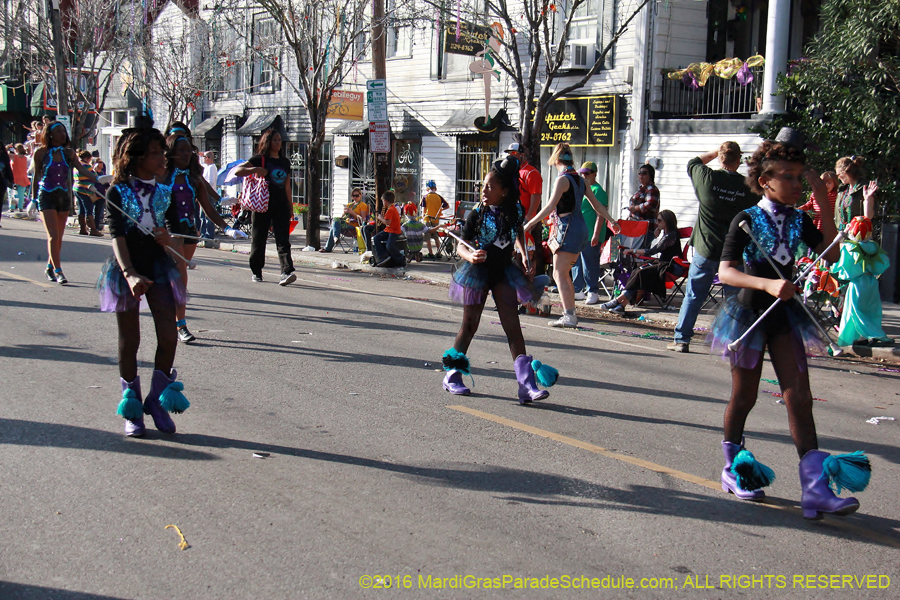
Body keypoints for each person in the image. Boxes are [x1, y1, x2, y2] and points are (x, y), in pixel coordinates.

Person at [708, 139, 870, 518]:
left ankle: (815, 489)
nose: (796, 184)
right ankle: (733, 469)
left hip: (784, 316)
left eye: (800, 177)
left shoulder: (799, 219)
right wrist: (766, 284)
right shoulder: (746, 218)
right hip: (749, 316)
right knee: (744, 397)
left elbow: (831, 251)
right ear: (765, 181)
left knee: (800, 398)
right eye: (788, 177)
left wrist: (823, 201)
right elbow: (726, 272)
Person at [97, 125, 190, 437]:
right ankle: (133, 407)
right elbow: (117, 236)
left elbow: (177, 234)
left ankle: (156, 400)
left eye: (162, 152)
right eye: (154, 154)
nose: (162, 158)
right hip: (127, 268)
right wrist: (130, 273)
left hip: (159, 266)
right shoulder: (117, 192)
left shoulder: (165, 192)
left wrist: (168, 239)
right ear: (136, 158)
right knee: (130, 341)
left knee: (168, 336)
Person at [442, 156, 557, 404]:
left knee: (513, 327)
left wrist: (524, 254)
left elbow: (518, 232)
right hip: (478, 273)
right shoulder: (476, 213)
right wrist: (471, 256)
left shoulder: (516, 211)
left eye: (490, 187)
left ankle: (526, 385)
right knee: (469, 325)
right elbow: (461, 245)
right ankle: (452, 375)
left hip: (504, 271)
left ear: (504, 191)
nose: (483, 191)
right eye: (483, 186)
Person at [670, 142, 759, 353]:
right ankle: (732, 342)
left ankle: (682, 339)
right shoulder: (748, 187)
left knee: (694, 295)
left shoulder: (708, 178)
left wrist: (714, 152)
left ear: (720, 158)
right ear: (739, 160)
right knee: (734, 299)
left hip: (707, 247)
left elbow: (694, 162)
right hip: (734, 251)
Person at [524, 143, 619, 328]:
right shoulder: (581, 181)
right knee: (564, 273)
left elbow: (549, 207)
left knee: (559, 274)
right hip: (580, 229)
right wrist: (612, 221)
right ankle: (570, 314)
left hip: (567, 229)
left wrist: (529, 223)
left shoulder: (562, 180)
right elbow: (597, 206)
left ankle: (569, 316)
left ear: (556, 159)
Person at [165, 134, 246, 343]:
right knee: (179, 276)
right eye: (181, 150)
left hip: (190, 232)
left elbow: (208, 208)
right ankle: (181, 324)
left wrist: (227, 228)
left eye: (188, 150)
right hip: (169, 232)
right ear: (171, 152)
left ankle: (173, 316)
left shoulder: (194, 178)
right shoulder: (161, 176)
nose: (185, 154)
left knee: (178, 277)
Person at [31, 121, 100, 284]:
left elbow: (81, 169)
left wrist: (98, 178)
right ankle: (58, 271)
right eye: (59, 131)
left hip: (63, 196)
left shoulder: (69, 153)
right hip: (46, 195)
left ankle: (50, 266)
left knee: (59, 237)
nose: (63, 134)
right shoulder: (40, 153)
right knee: (53, 235)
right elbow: (36, 176)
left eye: (64, 131)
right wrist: (33, 200)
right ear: (50, 134)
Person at [233, 128, 297, 285]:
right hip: (262, 204)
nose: (278, 143)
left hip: (280, 204)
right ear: (267, 142)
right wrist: (256, 169)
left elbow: (287, 185)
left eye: (279, 140)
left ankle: (286, 271)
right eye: (275, 140)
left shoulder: (284, 162)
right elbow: (238, 171)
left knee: (283, 239)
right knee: (259, 239)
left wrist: (290, 206)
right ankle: (256, 271)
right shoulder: (259, 159)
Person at [600, 209, 684, 314]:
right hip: (665, 263)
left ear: (667, 221)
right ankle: (621, 305)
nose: (657, 223)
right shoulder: (667, 233)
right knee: (637, 271)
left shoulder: (670, 235)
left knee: (641, 272)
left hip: (672, 266)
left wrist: (633, 250)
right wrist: (658, 231)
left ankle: (617, 300)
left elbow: (652, 251)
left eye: (659, 221)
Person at [831, 216, 893, 347]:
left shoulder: (849, 247)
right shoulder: (874, 246)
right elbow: (884, 263)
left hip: (857, 283)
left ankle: (874, 334)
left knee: (855, 312)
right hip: (872, 282)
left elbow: (839, 265)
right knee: (871, 311)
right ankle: (861, 337)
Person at [570, 161, 609, 305]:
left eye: (587, 173)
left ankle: (593, 290)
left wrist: (596, 234)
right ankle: (578, 289)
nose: (584, 176)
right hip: (579, 231)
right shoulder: (582, 189)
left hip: (591, 232)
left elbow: (601, 214)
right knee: (576, 261)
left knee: (589, 262)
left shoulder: (598, 191)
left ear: (594, 174)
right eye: (582, 173)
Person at [506, 143, 544, 276]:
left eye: (513, 153)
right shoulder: (511, 172)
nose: (510, 156)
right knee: (512, 255)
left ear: (522, 155)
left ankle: (528, 282)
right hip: (511, 219)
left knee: (527, 254)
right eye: (509, 153)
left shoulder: (531, 172)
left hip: (525, 219)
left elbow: (536, 196)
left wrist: (529, 218)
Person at [834, 156, 878, 230]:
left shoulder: (864, 189)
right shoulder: (842, 190)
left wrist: (867, 199)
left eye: (838, 174)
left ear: (846, 172)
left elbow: (869, 217)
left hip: (859, 234)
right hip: (842, 233)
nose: (838, 177)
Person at [320, 187, 369, 253]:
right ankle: (335, 238)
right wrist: (344, 213)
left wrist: (352, 213)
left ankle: (329, 246)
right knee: (335, 220)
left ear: (360, 195)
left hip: (354, 226)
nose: (355, 197)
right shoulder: (349, 205)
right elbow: (343, 217)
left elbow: (362, 220)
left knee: (333, 228)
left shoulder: (363, 205)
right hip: (346, 223)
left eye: (357, 195)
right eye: (353, 196)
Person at [627, 164, 660, 247]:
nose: (641, 175)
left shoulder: (651, 189)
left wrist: (636, 208)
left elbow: (651, 204)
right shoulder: (641, 190)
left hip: (646, 228)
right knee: (632, 251)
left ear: (650, 176)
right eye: (640, 173)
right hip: (636, 227)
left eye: (644, 173)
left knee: (639, 251)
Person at [74, 150, 102, 236]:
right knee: (88, 209)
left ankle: (82, 228)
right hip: (85, 190)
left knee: (81, 209)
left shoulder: (77, 166)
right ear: (87, 158)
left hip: (77, 188)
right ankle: (92, 229)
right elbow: (94, 176)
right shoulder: (86, 166)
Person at [373, 190, 404, 267]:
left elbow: (387, 222)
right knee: (376, 238)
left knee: (389, 246)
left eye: (383, 201)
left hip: (394, 231)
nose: (383, 203)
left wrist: (380, 218)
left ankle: (400, 259)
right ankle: (383, 256)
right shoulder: (392, 208)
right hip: (389, 230)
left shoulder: (390, 210)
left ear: (385, 201)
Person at [420, 180, 449, 258]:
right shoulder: (439, 197)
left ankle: (431, 253)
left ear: (427, 189)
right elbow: (447, 206)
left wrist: (423, 216)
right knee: (436, 236)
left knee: (427, 237)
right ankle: (439, 253)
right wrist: (440, 210)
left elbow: (424, 210)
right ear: (435, 188)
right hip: (436, 219)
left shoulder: (425, 197)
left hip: (427, 218)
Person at [199, 151, 219, 239]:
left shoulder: (211, 168)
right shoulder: (207, 167)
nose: (203, 159)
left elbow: (210, 182)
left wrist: (204, 189)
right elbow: (201, 164)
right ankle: (203, 233)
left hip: (208, 194)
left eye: (204, 157)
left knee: (208, 215)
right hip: (204, 193)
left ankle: (209, 234)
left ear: (207, 158)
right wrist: (200, 156)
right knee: (202, 215)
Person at [91, 154, 108, 233]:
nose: (101, 164)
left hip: (101, 195)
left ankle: (96, 227)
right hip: (93, 194)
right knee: (91, 211)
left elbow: (106, 184)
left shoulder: (102, 173)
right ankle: (91, 226)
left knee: (98, 212)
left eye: (101, 162)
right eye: (99, 162)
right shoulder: (92, 173)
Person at [10, 144, 30, 212]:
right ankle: (20, 207)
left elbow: (7, 155)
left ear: (16, 149)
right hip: (23, 178)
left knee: (13, 194)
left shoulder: (14, 157)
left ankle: (12, 207)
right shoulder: (25, 158)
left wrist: (8, 148)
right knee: (21, 194)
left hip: (14, 178)